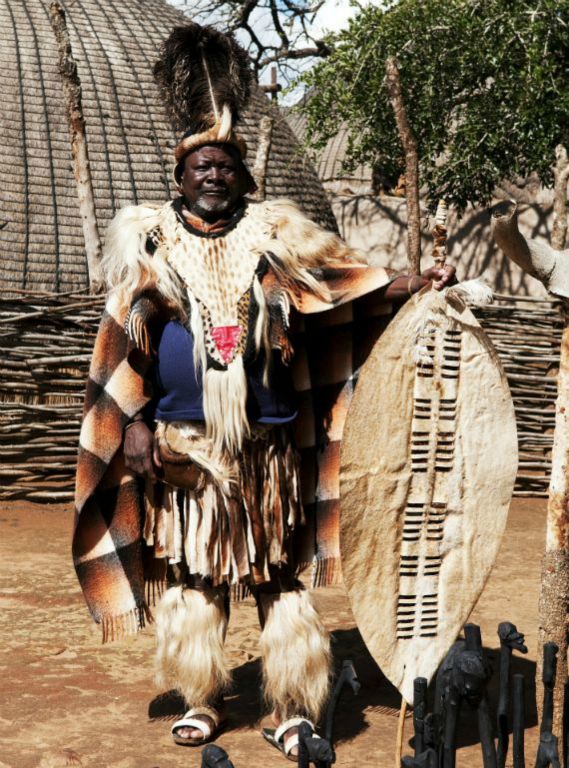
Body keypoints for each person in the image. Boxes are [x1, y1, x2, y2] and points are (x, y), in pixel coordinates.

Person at [72, 24, 455, 761]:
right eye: (200, 166)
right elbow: (126, 346)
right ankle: (204, 698)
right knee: (197, 574)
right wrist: (139, 427)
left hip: (269, 447)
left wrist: (410, 284)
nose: (213, 176)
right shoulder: (148, 241)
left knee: (276, 575)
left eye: (224, 166)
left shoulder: (278, 234)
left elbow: (347, 292)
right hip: (186, 448)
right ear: (179, 176)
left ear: (242, 177)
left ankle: (289, 707)